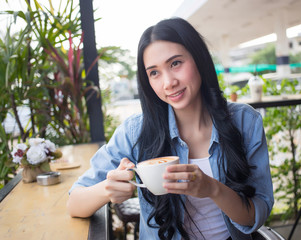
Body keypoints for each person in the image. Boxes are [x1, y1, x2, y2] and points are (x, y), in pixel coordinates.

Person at [67, 17, 273, 240]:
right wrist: (108, 188)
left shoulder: (244, 121)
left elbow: (255, 216)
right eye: (154, 72)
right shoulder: (135, 132)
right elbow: (75, 203)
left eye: (175, 63)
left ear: (199, 59)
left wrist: (213, 189)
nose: (168, 83)